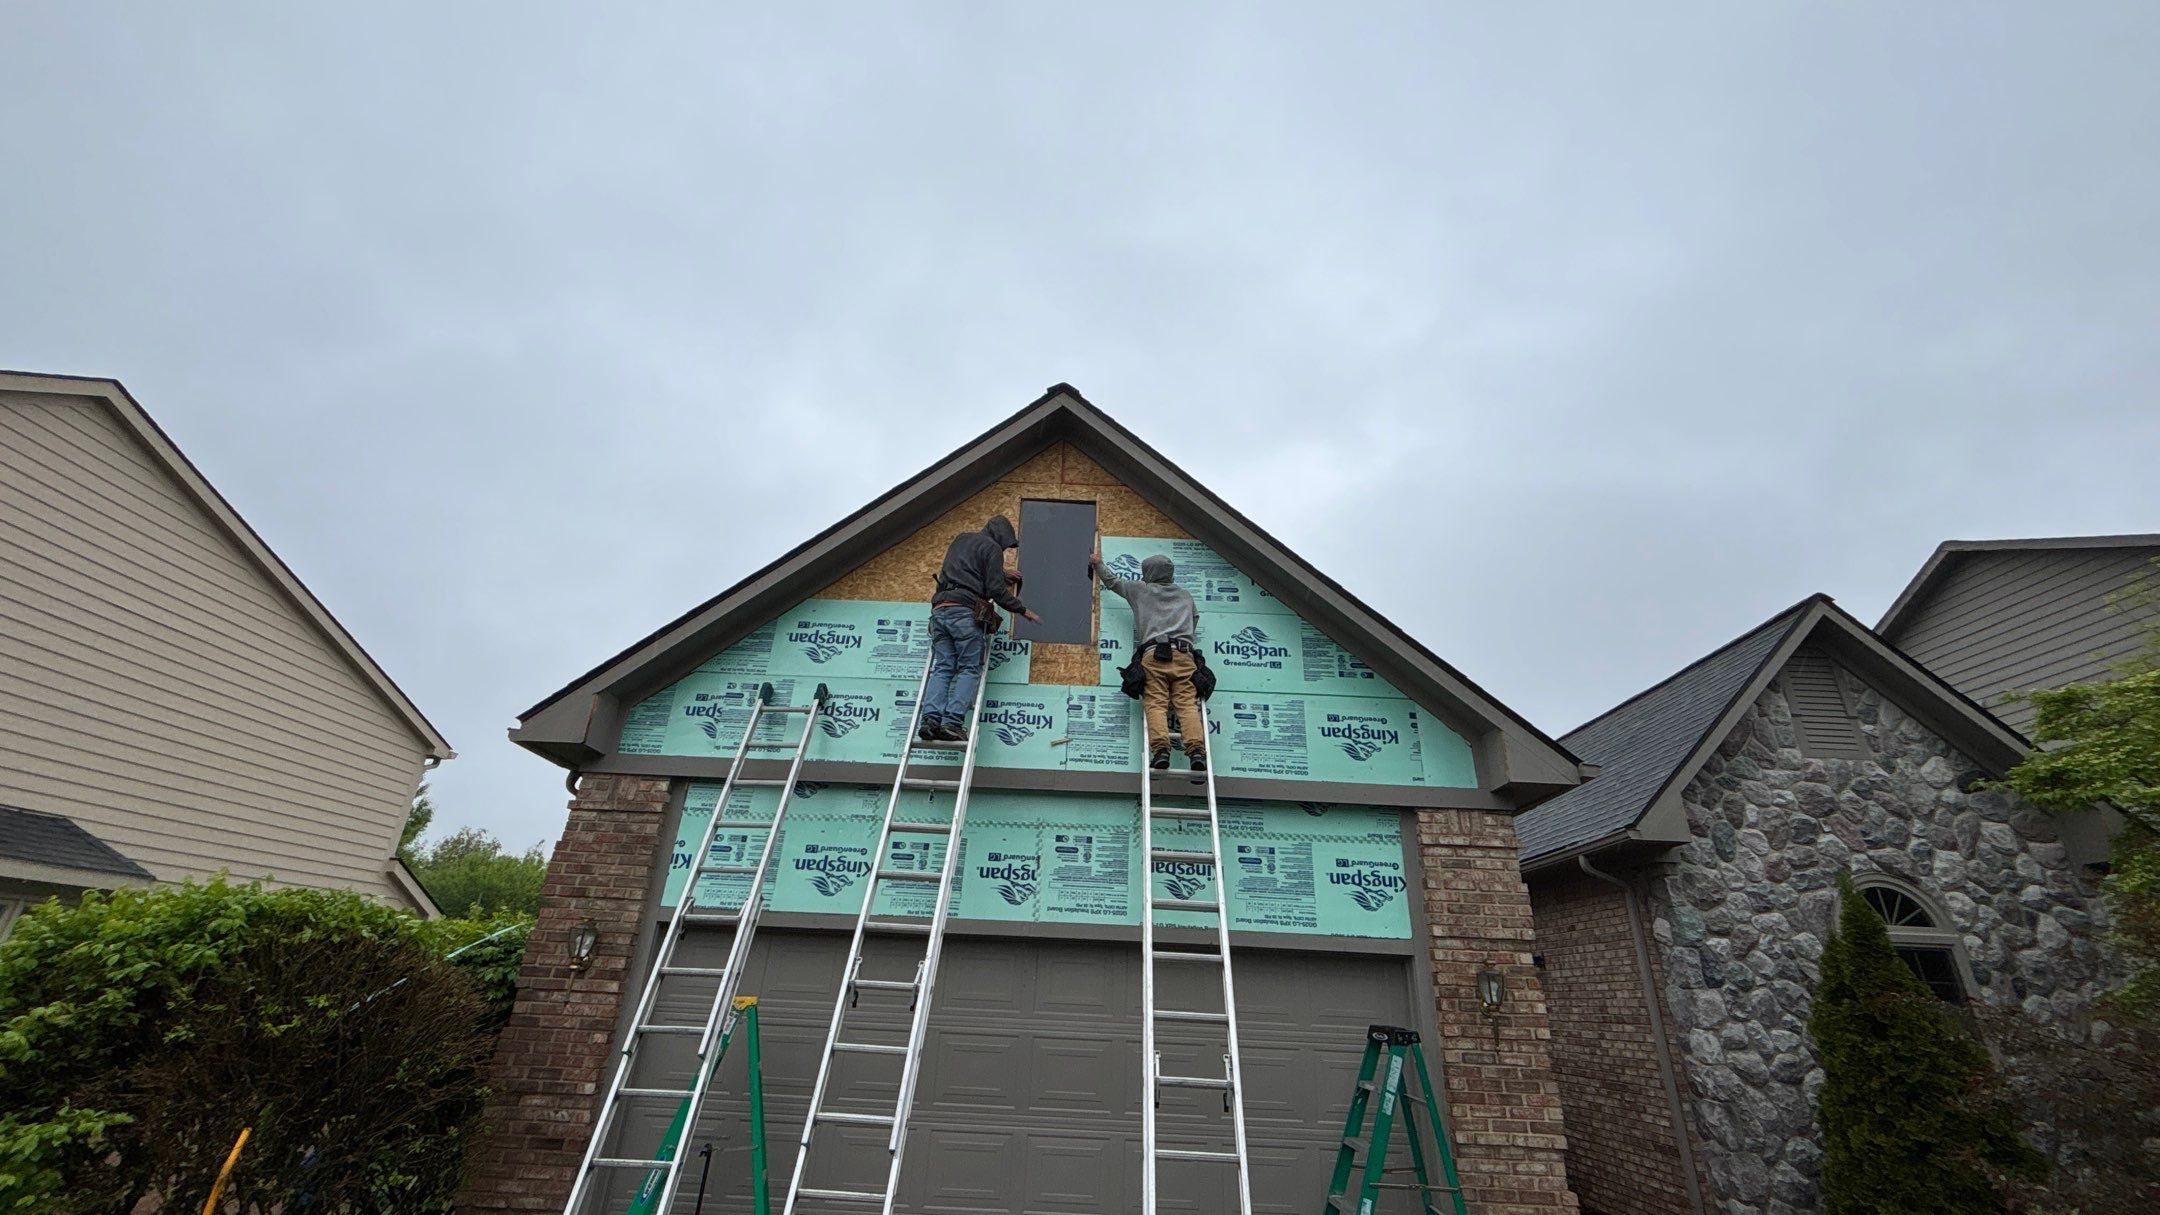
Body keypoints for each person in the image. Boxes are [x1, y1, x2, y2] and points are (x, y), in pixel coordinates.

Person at [919, 515, 1039, 742]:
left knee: (943, 668)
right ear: (1000, 537)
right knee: (968, 668)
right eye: (1005, 545)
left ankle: (930, 720)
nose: (1003, 549)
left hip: (940, 611)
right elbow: (995, 590)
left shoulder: (961, 539)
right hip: (963, 613)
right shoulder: (992, 548)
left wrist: (1001, 571)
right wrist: (1022, 610)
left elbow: (966, 568)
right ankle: (952, 723)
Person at [1090, 549, 1206, 771]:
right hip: (1184, 656)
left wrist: (1097, 563)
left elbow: (1113, 582)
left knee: (1156, 703)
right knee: (1186, 705)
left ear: (1149, 572)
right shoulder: (1185, 596)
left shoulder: (1140, 590)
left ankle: (1161, 751)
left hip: (1154, 655)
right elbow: (1195, 619)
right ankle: (1197, 753)